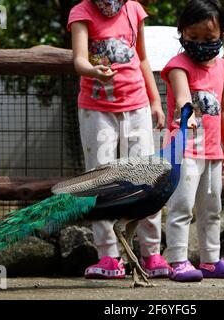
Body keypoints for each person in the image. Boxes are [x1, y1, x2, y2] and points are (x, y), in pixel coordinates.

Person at [68, 0, 171, 279]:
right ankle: (109, 256)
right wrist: (93, 71)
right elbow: (79, 59)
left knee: (148, 178)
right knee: (100, 178)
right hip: (96, 109)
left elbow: (142, 58)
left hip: (136, 105)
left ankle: (151, 254)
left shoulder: (134, 10)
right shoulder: (82, 12)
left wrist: (155, 101)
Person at [161, 0, 224, 282]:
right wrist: (188, 114)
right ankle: (177, 261)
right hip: (183, 150)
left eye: (208, 39)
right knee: (181, 207)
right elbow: (183, 96)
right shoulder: (177, 66)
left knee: (212, 209)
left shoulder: (222, 67)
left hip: (211, 150)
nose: (200, 44)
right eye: (193, 37)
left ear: (221, 35)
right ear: (182, 33)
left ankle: (211, 260)